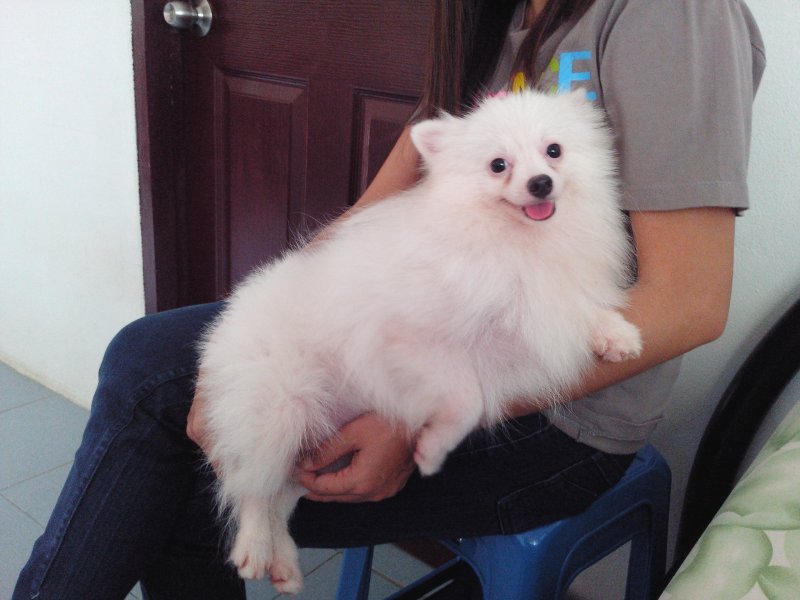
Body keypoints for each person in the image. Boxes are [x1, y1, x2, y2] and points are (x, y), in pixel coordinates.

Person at [14, 0, 765, 598]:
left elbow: (690, 302)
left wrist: (412, 418)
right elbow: (369, 216)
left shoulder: (673, 14)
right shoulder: (490, 17)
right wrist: (259, 323)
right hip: (426, 319)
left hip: (562, 408)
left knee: (168, 475)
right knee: (149, 363)